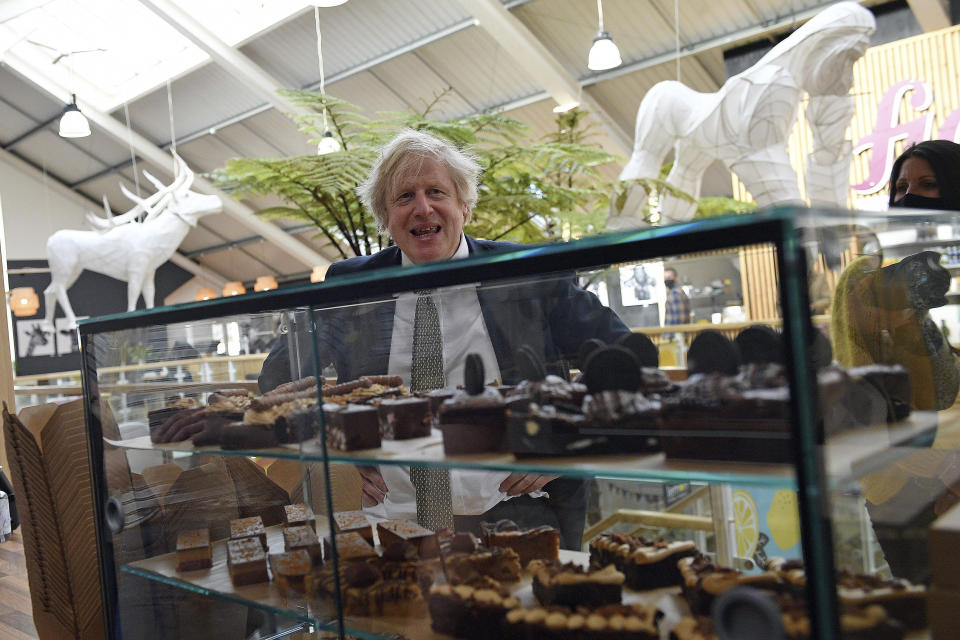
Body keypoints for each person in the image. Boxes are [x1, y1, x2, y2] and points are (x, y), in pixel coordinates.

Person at [257, 129, 631, 548]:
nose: (422, 208)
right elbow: (278, 378)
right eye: (404, 197)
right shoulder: (350, 285)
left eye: (436, 191)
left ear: (464, 206)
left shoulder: (525, 272)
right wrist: (328, 446)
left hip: (519, 510)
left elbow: (625, 358)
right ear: (385, 215)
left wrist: (567, 437)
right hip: (385, 519)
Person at [830, 139, 960, 583]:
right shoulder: (869, 278)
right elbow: (882, 399)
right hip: (906, 486)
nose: (910, 196)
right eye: (901, 186)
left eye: (929, 184)